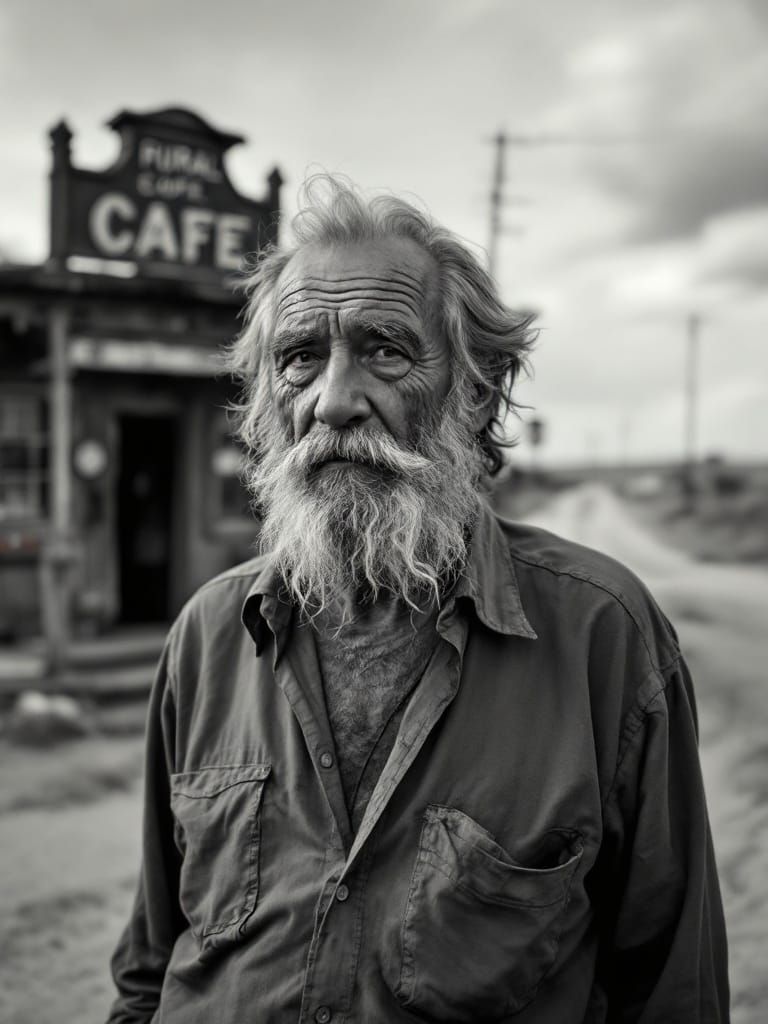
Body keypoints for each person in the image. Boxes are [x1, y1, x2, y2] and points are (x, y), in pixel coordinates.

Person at [107, 176, 729, 1023]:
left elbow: (673, 992)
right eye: (298, 359)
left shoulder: (603, 638)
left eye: (386, 351)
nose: (333, 400)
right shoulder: (209, 635)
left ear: (477, 393)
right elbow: (149, 970)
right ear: (263, 404)